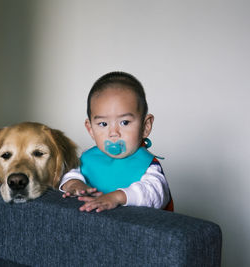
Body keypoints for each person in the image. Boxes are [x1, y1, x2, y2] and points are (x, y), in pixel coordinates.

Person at [60, 71, 173, 212]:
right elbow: (69, 173)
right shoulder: (87, 158)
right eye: (103, 124)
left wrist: (117, 197)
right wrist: (73, 184)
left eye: (124, 122)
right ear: (90, 129)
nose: (113, 133)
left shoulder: (148, 165)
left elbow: (155, 195)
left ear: (145, 126)